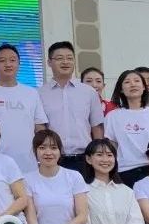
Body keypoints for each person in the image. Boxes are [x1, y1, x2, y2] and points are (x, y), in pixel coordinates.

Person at [0, 44, 48, 173]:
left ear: (19, 64)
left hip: (27, 165)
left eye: (12, 60)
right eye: (2, 60)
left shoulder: (31, 93)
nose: (8, 64)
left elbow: (39, 128)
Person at [39, 42, 104, 175]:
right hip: (54, 159)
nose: (65, 62)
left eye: (69, 58)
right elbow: (39, 128)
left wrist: (99, 155)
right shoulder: (39, 94)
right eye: (59, 58)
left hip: (84, 159)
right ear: (49, 62)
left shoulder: (88, 92)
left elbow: (97, 127)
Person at [103, 70, 149, 187]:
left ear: (144, 87)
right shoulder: (112, 116)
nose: (133, 84)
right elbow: (111, 147)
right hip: (124, 172)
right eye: (127, 82)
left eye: (137, 81)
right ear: (121, 89)